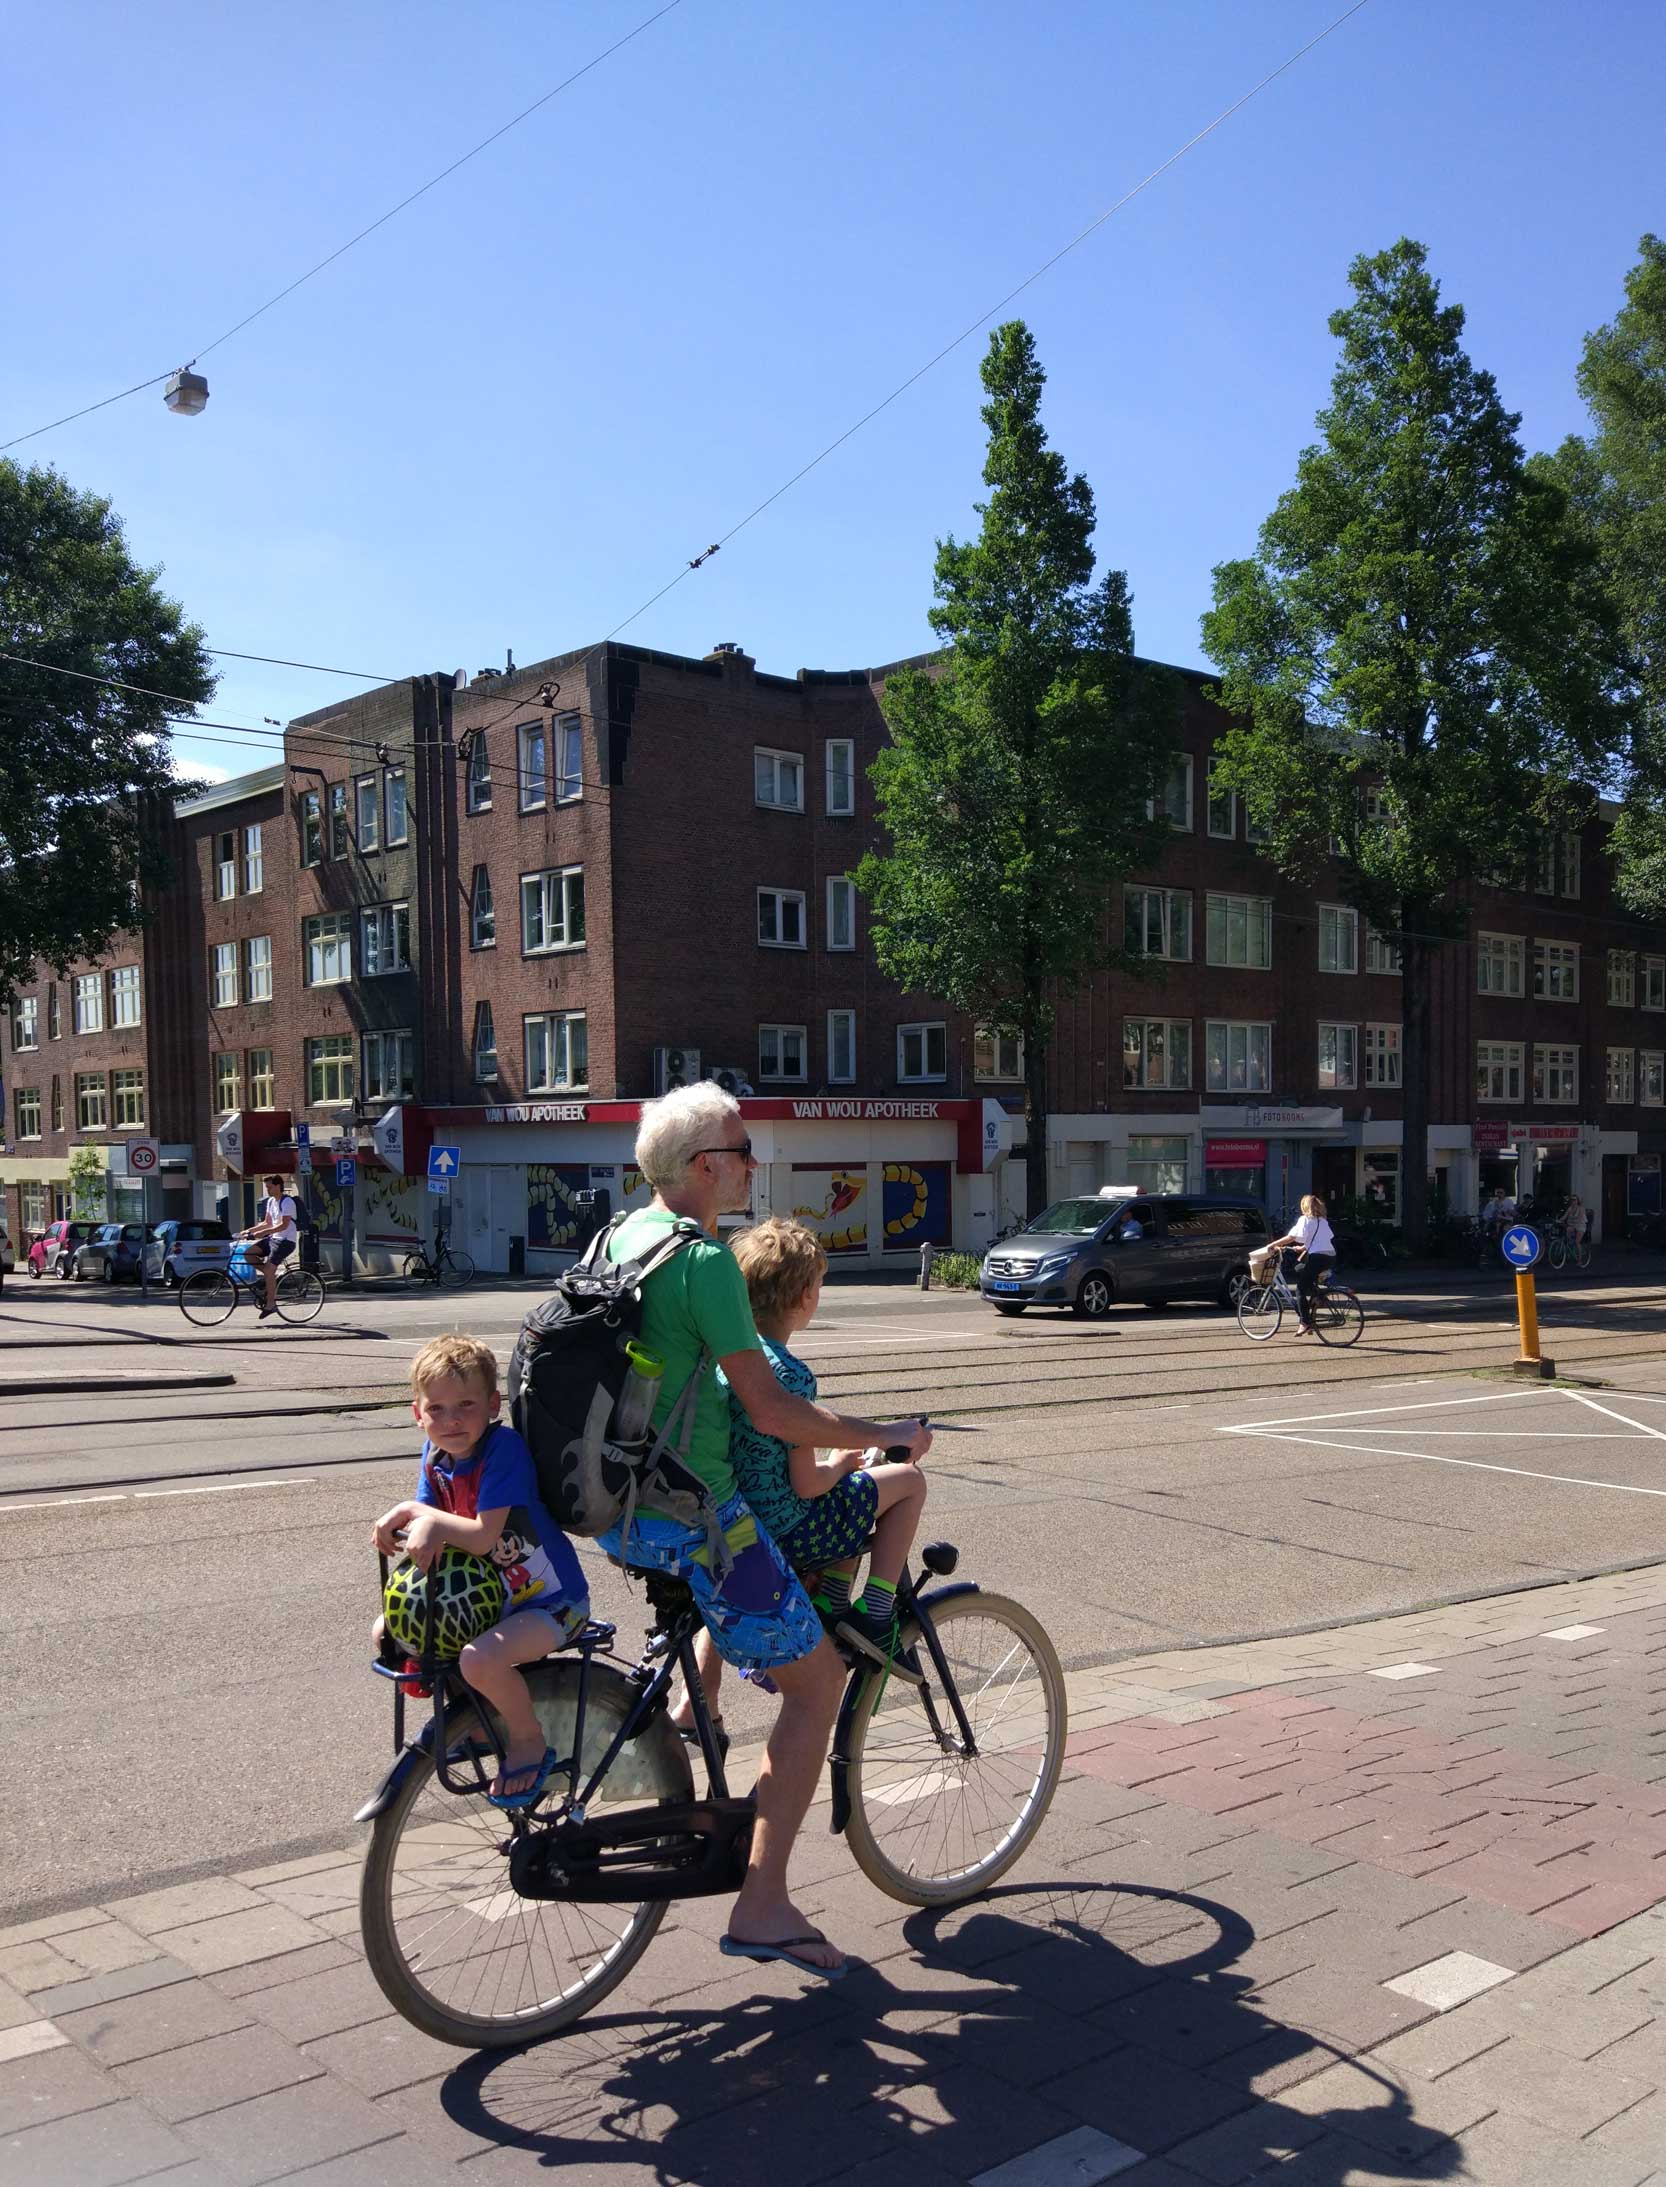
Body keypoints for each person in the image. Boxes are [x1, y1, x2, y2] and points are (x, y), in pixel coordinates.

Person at [597, 1083, 929, 1981]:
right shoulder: (702, 1260)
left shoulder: (620, 1234)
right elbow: (774, 1409)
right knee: (816, 1686)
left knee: (742, 1630)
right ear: (707, 1164)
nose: (753, 1162)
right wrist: (881, 1437)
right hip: (692, 1517)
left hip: (620, 1507)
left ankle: (681, 1722)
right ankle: (764, 1901)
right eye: (744, 1149)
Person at [678, 1216, 928, 1737]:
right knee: (903, 1483)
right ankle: (874, 1612)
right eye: (817, 1286)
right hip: (790, 1527)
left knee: (851, 1499)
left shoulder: (730, 1364)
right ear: (802, 1299)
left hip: (739, 1521)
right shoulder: (789, 1375)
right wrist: (838, 1464)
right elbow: (807, 1486)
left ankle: (700, 1698)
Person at [372, 1335, 590, 1809]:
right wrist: (406, 1528)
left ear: (493, 1405)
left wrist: (416, 1513)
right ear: (418, 1413)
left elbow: (481, 1536)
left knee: (478, 1660)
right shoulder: (435, 1458)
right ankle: (476, 1721)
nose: (451, 1421)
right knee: (388, 1630)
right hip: (495, 1599)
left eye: (466, 1405)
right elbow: (430, 1533)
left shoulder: (502, 1449)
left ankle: (529, 1739)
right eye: (437, 1409)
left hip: (552, 1603)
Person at [1268, 1191, 1336, 1334]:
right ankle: (1317, 1295)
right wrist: (1303, 1247)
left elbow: (1291, 1236)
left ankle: (1305, 1322)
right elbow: (1323, 1239)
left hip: (1317, 1257)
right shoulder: (1322, 1220)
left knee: (1299, 1289)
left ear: (1304, 1206)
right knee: (1299, 1268)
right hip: (1330, 1256)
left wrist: (1273, 1244)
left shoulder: (1305, 1220)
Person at [238, 1172, 299, 1319]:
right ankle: (268, 1275)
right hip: (273, 1238)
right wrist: (249, 1230)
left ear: (278, 1186)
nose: (268, 1190)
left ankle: (271, 1304)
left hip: (285, 1241)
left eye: (270, 1187)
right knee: (248, 1254)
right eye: (267, 1187)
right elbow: (267, 1222)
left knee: (269, 1269)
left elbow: (283, 1225)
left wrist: (261, 1234)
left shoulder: (287, 1202)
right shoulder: (271, 1201)